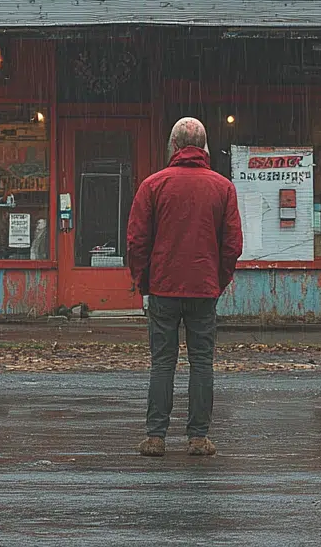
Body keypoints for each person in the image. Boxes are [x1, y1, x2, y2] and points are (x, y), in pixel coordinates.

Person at [126, 117, 243, 458]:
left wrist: (145, 279)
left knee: (162, 363)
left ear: (173, 146)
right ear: (204, 147)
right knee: (202, 363)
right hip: (203, 288)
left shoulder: (153, 185)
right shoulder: (222, 187)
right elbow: (232, 244)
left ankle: (155, 437)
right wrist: (217, 279)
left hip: (163, 287)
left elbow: (136, 241)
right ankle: (197, 437)